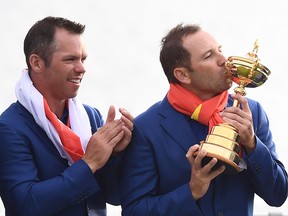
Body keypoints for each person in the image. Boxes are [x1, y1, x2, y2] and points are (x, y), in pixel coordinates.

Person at [120, 23, 288, 216]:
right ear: (183, 74)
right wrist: (192, 191)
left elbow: (278, 195)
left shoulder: (251, 113)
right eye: (209, 56)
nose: (224, 60)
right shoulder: (146, 128)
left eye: (220, 50)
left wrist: (252, 144)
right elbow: (134, 211)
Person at [0, 16, 133, 216]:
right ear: (36, 63)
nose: (82, 68)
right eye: (70, 59)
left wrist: (113, 155)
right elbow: (25, 206)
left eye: (83, 59)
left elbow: (114, 196)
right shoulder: (9, 127)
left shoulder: (90, 115)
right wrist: (89, 163)